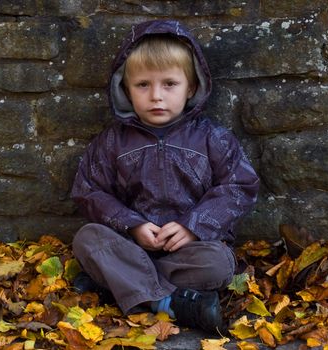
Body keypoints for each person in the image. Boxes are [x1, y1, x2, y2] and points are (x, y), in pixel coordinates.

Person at [70, 19, 260, 334]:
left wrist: (194, 225)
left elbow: (239, 186)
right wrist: (132, 224)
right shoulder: (114, 141)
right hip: (132, 244)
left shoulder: (213, 137)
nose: (156, 96)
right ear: (127, 90)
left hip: (189, 250)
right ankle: (168, 301)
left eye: (169, 84)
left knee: (221, 264)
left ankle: (117, 281)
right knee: (87, 238)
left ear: (192, 87)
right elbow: (88, 190)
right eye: (143, 85)